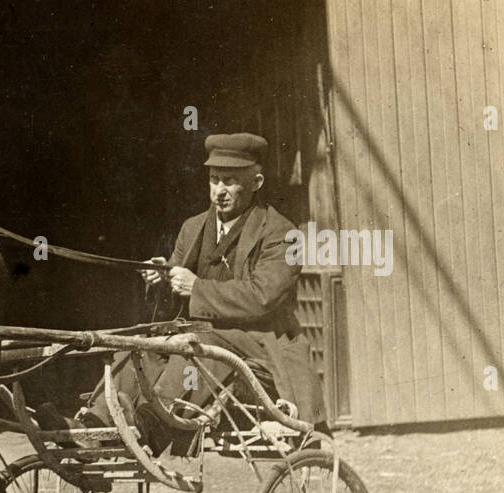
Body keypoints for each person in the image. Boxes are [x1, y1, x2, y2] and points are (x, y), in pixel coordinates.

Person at [71, 132, 326, 453]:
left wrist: (197, 287)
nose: (219, 191)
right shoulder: (193, 228)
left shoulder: (282, 234)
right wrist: (161, 278)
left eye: (230, 181)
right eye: (214, 179)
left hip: (262, 348)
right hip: (201, 337)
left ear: (256, 182)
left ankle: (152, 423)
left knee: (199, 345)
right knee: (140, 341)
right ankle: (96, 424)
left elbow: (263, 297)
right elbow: (176, 296)